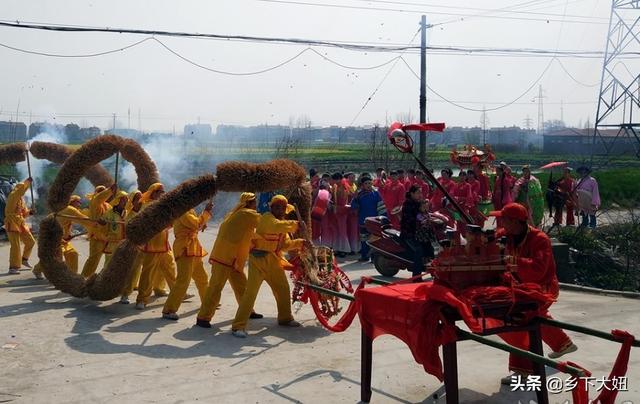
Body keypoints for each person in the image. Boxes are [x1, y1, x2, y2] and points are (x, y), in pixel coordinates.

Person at [489, 203, 578, 383]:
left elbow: (538, 269)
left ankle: (524, 370)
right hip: (519, 285)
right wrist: (485, 242)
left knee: (521, 316)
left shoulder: (540, 239)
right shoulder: (508, 235)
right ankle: (562, 344)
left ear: (515, 222)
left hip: (542, 286)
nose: (501, 223)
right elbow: (491, 243)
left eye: (503, 219)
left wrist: (511, 260)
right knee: (514, 311)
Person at [231, 195, 309, 338]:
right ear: (271, 207)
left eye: (283, 208)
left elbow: (285, 245)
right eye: (277, 207)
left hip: (274, 260)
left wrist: (301, 242)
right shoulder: (266, 218)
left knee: (283, 289)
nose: (280, 210)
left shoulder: (282, 223)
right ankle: (238, 326)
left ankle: (285, 318)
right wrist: (297, 224)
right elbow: (275, 227)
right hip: (258, 261)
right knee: (251, 293)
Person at [196, 193, 263, 328]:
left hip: (233, 258)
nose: (256, 204)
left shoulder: (234, 214)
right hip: (225, 257)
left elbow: (249, 233)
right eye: (254, 201)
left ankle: (248, 311)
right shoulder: (246, 213)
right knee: (215, 287)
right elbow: (266, 224)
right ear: (248, 203)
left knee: (242, 285)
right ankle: (203, 317)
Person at [161, 200, 213, 320]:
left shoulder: (189, 210)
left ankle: (207, 303)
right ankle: (169, 310)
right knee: (183, 280)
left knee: (202, 278)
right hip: (184, 247)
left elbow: (197, 225)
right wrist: (206, 212)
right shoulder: (183, 211)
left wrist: (202, 221)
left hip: (193, 247)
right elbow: (196, 224)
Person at [135, 183, 177, 310]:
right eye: (160, 191)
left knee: (170, 269)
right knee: (147, 273)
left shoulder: (164, 206)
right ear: (153, 193)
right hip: (151, 245)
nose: (163, 193)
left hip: (164, 244)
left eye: (163, 191)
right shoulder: (147, 206)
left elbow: (170, 223)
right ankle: (141, 299)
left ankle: (176, 293)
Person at [33, 195, 97, 279]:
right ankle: (38, 270)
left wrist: (67, 235)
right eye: (78, 202)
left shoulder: (65, 210)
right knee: (54, 257)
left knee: (72, 254)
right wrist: (96, 224)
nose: (80, 204)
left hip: (59, 237)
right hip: (53, 236)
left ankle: (72, 276)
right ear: (73, 201)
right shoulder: (70, 209)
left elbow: (65, 224)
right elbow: (83, 220)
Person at [81, 184, 115, 278]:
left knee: (109, 259)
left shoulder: (108, 206)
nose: (102, 193)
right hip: (96, 236)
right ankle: (84, 277)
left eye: (103, 191)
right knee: (94, 259)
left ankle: (104, 279)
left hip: (107, 237)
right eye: (100, 191)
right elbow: (99, 198)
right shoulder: (94, 203)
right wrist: (109, 190)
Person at [351, 176, 387, 262]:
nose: (368, 185)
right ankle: (364, 256)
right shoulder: (359, 195)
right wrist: (355, 199)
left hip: (375, 220)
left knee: (375, 239)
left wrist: (383, 218)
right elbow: (354, 207)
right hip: (363, 220)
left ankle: (374, 257)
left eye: (370, 183)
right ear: (362, 185)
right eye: (366, 183)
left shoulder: (376, 194)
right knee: (364, 239)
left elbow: (381, 208)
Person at [4, 177, 36, 274]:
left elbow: (23, 213)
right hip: (12, 222)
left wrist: (30, 212)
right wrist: (28, 182)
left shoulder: (21, 200)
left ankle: (24, 259)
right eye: (21, 188)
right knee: (16, 245)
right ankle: (13, 267)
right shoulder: (13, 195)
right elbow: (20, 190)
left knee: (31, 241)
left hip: (20, 223)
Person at [400, 185, 432, 277]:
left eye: (421, 193)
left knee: (430, 248)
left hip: (419, 234)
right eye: (418, 193)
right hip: (409, 234)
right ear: (412, 194)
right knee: (419, 251)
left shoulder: (418, 203)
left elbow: (425, 212)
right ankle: (416, 276)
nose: (420, 195)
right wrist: (420, 221)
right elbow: (410, 219)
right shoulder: (408, 204)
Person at [120, 190, 143, 304]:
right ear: (132, 201)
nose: (140, 200)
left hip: (146, 246)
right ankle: (125, 293)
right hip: (134, 246)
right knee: (132, 270)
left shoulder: (145, 212)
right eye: (137, 198)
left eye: (141, 197)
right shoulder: (130, 217)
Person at [102, 191, 128, 267]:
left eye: (126, 200)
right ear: (118, 200)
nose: (125, 202)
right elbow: (102, 222)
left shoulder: (127, 212)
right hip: (112, 243)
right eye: (123, 200)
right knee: (108, 265)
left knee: (120, 266)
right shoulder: (109, 213)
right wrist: (102, 222)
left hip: (123, 244)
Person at [331, 172, 351, 257]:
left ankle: (344, 249)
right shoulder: (337, 186)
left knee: (342, 231)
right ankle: (339, 248)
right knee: (338, 230)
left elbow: (343, 200)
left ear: (338, 179)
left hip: (341, 210)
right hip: (337, 210)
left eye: (335, 179)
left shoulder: (343, 186)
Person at [345, 172, 360, 255]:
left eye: (353, 177)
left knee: (354, 230)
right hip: (348, 211)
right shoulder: (346, 186)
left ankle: (355, 248)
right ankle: (350, 247)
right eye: (350, 177)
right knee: (349, 230)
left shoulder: (354, 186)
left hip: (354, 211)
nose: (352, 179)